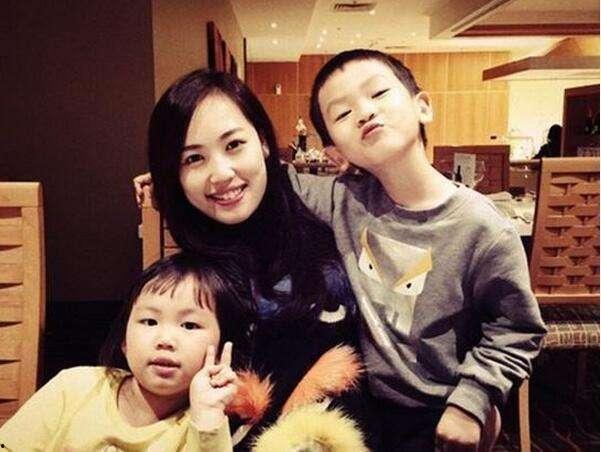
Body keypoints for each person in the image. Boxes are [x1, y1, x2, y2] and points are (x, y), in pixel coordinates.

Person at [281, 49, 546, 451]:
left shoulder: (482, 227)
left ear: (423, 106)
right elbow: (268, 180)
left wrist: (472, 400)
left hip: (438, 406)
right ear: (335, 152)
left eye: (378, 93)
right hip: (360, 404)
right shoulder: (343, 199)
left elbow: (516, 328)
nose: (364, 112)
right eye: (342, 113)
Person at [135, 69, 375, 450]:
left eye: (233, 145)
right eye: (194, 158)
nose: (221, 174)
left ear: (262, 141)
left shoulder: (325, 207)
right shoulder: (192, 282)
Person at [0, 252, 254, 451]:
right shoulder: (74, 387)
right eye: (149, 322)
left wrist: (208, 419)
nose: (165, 340)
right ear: (124, 339)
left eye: (189, 325)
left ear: (222, 348)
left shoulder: (204, 423)